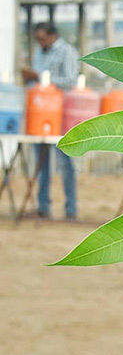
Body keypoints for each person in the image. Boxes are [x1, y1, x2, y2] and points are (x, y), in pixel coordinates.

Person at [21, 21, 79, 220]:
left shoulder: (67, 52)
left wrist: (41, 76)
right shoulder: (40, 53)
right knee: (42, 164)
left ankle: (71, 210)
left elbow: (70, 81)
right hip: (41, 116)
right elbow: (39, 83)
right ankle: (43, 207)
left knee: (65, 164)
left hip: (61, 116)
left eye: (42, 38)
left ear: (52, 36)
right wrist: (30, 78)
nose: (39, 42)